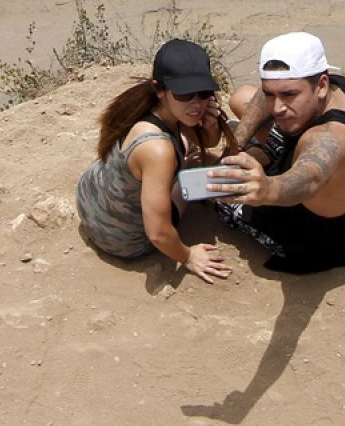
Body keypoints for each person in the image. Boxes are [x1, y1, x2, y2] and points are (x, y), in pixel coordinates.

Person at [209, 32, 345, 273]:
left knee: (214, 194)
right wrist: (235, 144)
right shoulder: (335, 84)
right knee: (241, 96)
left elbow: (309, 177)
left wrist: (267, 190)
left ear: (322, 86)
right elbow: (268, 94)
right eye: (270, 93)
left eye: (289, 95)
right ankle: (259, 152)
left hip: (322, 242)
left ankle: (261, 159)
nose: (277, 107)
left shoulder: (326, 139)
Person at [76, 39, 234, 283]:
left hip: (90, 203)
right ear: (160, 90)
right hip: (123, 240)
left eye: (203, 93)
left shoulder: (145, 105)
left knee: (190, 155)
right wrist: (189, 255)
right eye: (184, 94)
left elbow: (208, 142)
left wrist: (210, 124)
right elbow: (158, 233)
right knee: (201, 173)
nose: (197, 103)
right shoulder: (157, 150)